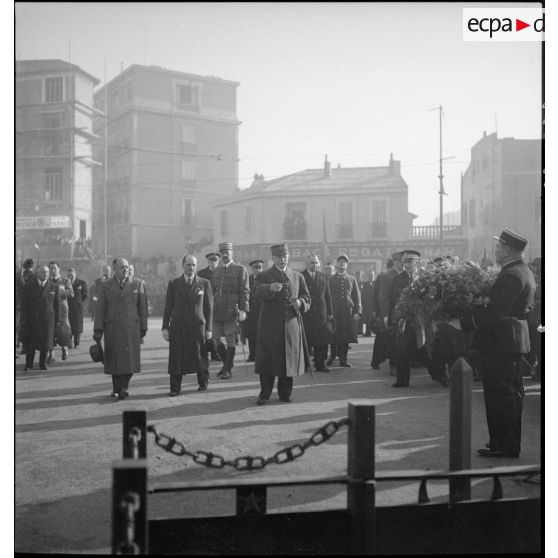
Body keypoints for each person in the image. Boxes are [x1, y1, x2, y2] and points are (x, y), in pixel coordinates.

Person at [462, 229, 536, 458]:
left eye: (498, 247)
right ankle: (503, 443)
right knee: (507, 395)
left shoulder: (511, 275)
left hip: (502, 342)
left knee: (501, 396)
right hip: (509, 341)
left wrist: (467, 320)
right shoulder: (521, 271)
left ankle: (505, 445)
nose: (495, 250)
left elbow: (495, 312)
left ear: (507, 250)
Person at [254, 244, 311, 405]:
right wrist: (269, 288)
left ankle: (285, 394)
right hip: (269, 326)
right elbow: (256, 291)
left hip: (290, 326)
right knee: (268, 361)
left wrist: (300, 302)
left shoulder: (297, 276)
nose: (282, 259)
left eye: (285, 256)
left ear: (288, 257)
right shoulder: (264, 276)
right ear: (273, 258)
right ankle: (264, 394)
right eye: (278, 257)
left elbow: (307, 297)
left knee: (288, 360)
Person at [391, 251, 449, 388]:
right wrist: (396, 315)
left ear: (417, 262)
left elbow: (432, 297)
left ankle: (440, 376)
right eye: (405, 262)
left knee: (429, 349)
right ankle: (402, 380)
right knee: (402, 349)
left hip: (424, 319)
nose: (407, 265)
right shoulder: (399, 278)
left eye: (410, 262)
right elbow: (394, 297)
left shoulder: (424, 278)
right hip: (406, 319)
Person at [93, 257, 148, 400]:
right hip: (113, 328)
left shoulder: (137, 284)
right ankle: (117, 388)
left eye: (126, 267)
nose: (125, 270)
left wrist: (143, 328)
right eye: (122, 267)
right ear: (115, 270)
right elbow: (100, 309)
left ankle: (123, 387)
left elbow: (143, 308)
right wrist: (98, 329)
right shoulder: (105, 286)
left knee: (130, 361)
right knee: (114, 360)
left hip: (131, 328)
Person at [162, 255, 213, 395]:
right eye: (188, 265)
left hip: (198, 327)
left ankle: (203, 382)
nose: (191, 268)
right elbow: (168, 307)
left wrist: (209, 328)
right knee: (176, 357)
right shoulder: (174, 283)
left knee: (200, 355)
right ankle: (175, 388)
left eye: (194, 265)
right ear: (182, 266)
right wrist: (165, 327)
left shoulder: (204, 283)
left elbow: (209, 308)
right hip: (178, 327)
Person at [210, 242, 249, 380]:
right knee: (215, 339)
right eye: (222, 253)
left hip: (232, 309)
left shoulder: (240, 269)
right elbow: (212, 291)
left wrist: (244, 309)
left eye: (227, 252)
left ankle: (227, 370)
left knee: (230, 339)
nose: (225, 255)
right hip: (217, 309)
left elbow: (245, 290)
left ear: (232, 253)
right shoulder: (216, 271)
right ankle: (228, 364)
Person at [20, 265, 60, 371]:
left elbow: (57, 305)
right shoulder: (29, 286)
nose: (46, 274)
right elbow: (24, 304)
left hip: (48, 319)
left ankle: (42, 363)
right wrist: (23, 319)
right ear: (37, 273)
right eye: (43, 272)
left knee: (45, 343)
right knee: (31, 343)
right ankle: (29, 364)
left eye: (47, 272)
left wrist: (58, 320)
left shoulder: (53, 286)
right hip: (32, 319)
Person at [327, 255, 362, 367]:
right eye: (340, 261)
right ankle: (332, 356)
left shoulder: (352, 279)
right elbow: (327, 297)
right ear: (336, 265)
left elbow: (357, 296)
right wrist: (328, 312)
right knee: (333, 335)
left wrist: (358, 311)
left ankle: (343, 359)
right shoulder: (330, 279)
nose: (342, 264)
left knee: (345, 336)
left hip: (348, 312)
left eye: (344, 262)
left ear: (347, 265)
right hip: (334, 312)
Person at [301, 254, 333, 372]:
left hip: (321, 314)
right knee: (306, 340)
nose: (314, 265)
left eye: (316, 263)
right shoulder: (301, 276)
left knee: (321, 341)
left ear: (319, 264)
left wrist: (330, 313)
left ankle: (320, 364)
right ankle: (305, 364)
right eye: (311, 263)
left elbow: (328, 296)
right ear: (307, 264)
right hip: (307, 313)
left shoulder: (323, 276)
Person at [198, 252, 222, 361]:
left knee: (216, 330)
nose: (214, 262)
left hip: (219, 305)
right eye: (211, 260)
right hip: (205, 306)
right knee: (205, 329)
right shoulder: (201, 273)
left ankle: (215, 353)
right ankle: (205, 353)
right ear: (207, 261)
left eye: (216, 260)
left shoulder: (223, 272)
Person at [48, 261, 74, 362]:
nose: (52, 270)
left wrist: (60, 290)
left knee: (64, 330)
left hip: (62, 310)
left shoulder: (65, 280)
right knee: (50, 330)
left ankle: (65, 349)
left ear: (59, 269)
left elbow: (71, 293)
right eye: (51, 268)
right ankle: (51, 354)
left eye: (54, 268)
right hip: (51, 309)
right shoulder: (48, 281)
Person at [244, 259, 264, 362]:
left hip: (263, 311)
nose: (258, 269)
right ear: (251, 269)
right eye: (256, 267)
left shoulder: (266, 279)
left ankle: (262, 355)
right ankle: (252, 355)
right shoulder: (248, 279)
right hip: (251, 312)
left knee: (263, 334)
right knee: (251, 335)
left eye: (260, 267)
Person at [67, 267, 88, 348]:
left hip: (78, 308)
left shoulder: (81, 283)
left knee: (78, 325)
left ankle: (76, 342)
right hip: (68, 307)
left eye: (71, 275)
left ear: (75, 274)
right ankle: (69, 342)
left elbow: (85, 294)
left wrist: (79, 302)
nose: (70, 276)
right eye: (69, 275)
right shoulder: (66, 283)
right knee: (69, 326)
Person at [360, 268, 376, 336]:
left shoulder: (376, 283)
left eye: (372, 275)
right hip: (367, 304)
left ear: (374, 275)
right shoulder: (365, 284)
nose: (371, 276)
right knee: (367, 319)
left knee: (374, 318)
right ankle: (367, 332)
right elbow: (362, 294)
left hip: (374, 304)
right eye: (369, 275)